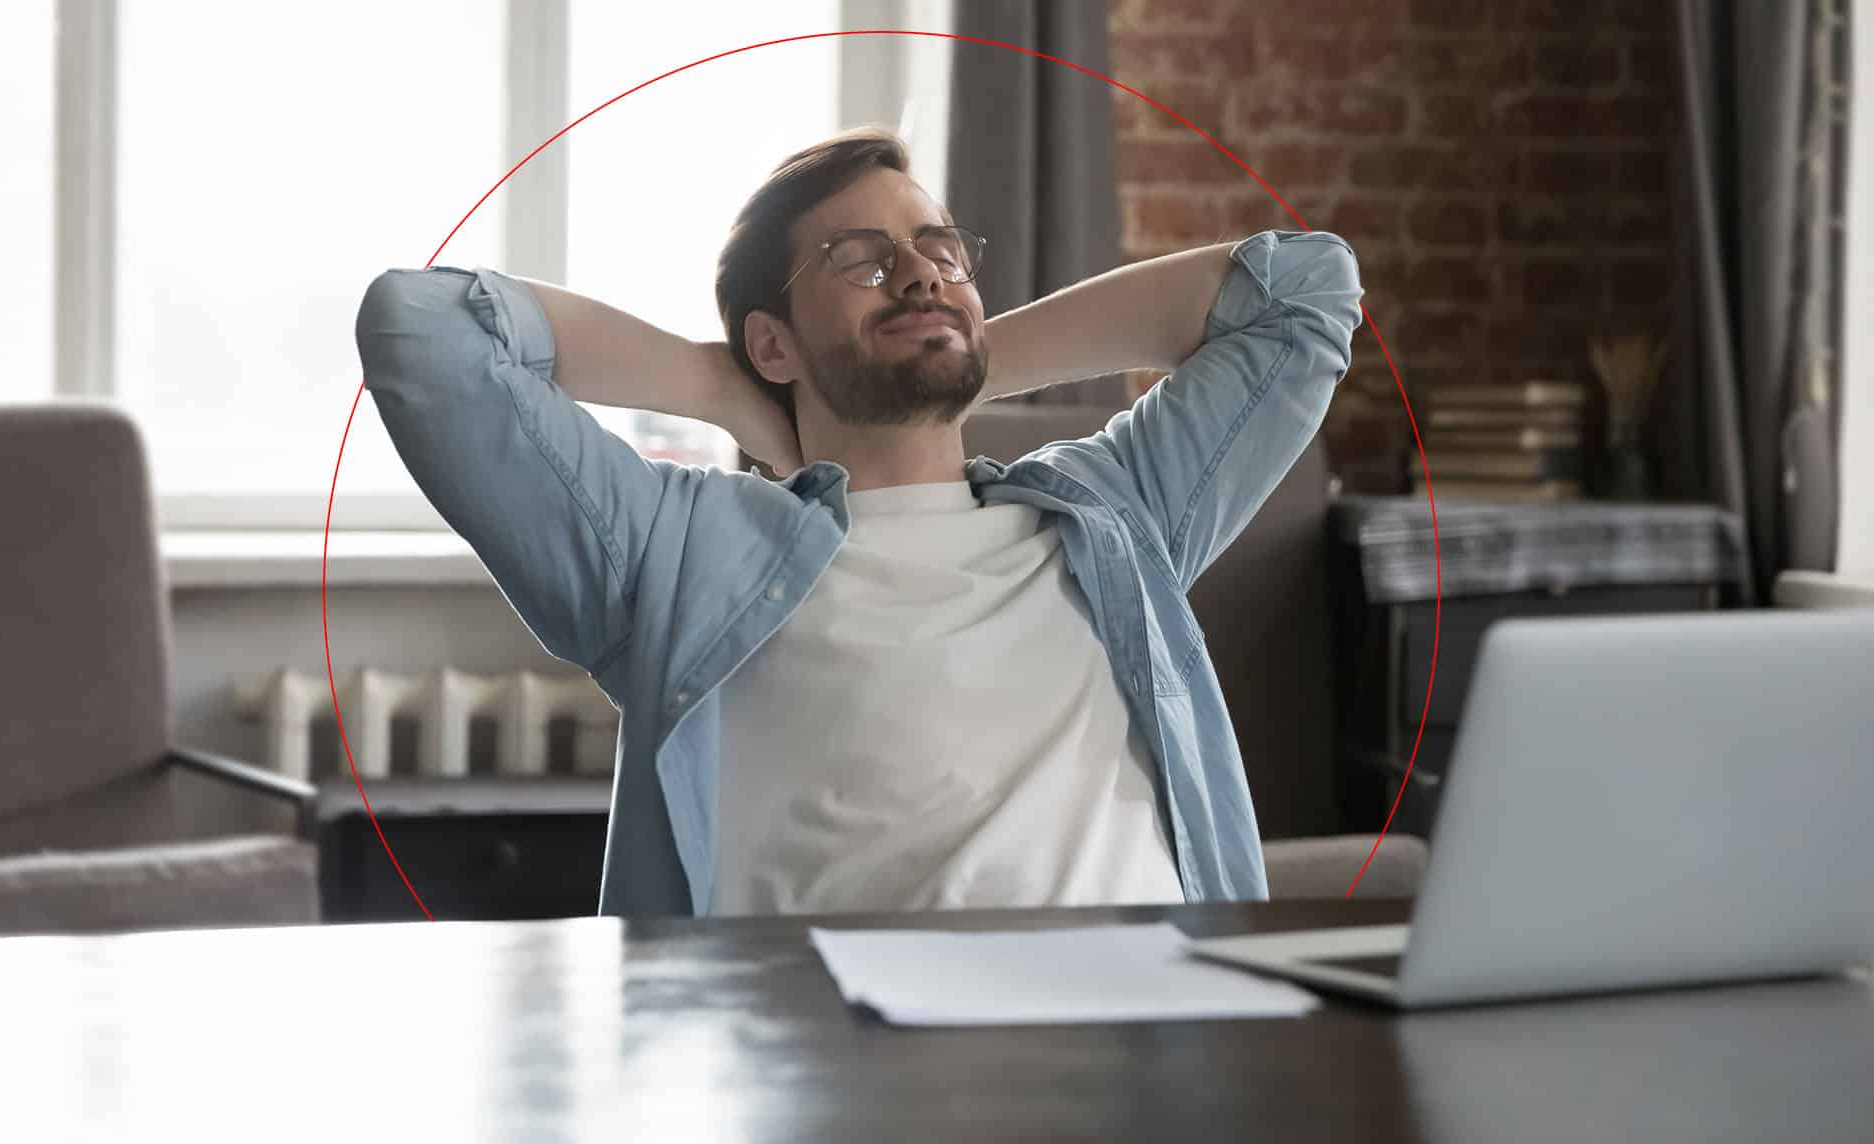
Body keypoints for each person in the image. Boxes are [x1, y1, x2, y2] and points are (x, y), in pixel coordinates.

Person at [355, 127, 1364, 917]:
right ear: (773, 341)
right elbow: (424, 328)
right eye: (860, 258)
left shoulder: (1114, 510)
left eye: (937, 250)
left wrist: (954, 355)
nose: (920, 270)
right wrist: (730, 388)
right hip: (846, 1056)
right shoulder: (679, 550)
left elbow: (1300, 291)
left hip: (1161, 1039)